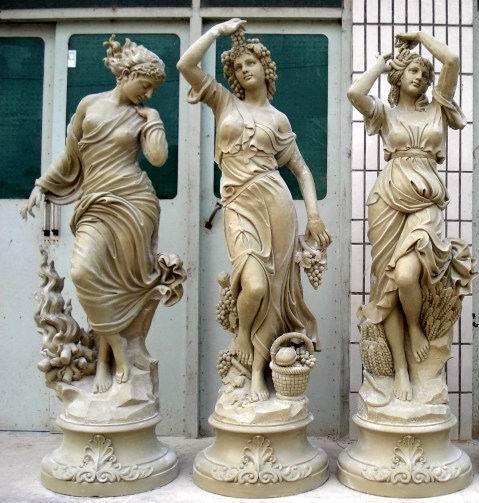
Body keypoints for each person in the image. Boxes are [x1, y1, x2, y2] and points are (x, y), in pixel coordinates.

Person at [177, 18, 331, 402]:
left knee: (274, 293)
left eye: (251, 63)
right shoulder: (223, 102)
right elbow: (186, 65)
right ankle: (243, 336)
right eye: (238, 66)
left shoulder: (279, 120)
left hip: (276, 205)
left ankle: (260, 372)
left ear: (265, 68)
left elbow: (302, 171)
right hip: (239, 205)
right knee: (255, 285)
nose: (244, 69)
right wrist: (216, 32)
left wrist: (313, 216)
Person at [20, 35, 184, 394]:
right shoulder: (89, 105)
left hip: (135, 204)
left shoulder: (143, 115)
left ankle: (107, 362)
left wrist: (154, 119)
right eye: (145, 85)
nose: (148, 94)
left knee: (123, 287)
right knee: (84, 273)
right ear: (127, 75)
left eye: (154, 89)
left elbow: (158, 158)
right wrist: (41, 185)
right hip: (94, 204)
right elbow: (71, 156)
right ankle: (117, 352)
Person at [348, 32, 470, 401]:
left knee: (405, 275)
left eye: (425, 73)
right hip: (386, 200)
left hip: (426, 203)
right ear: (398, 77)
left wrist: (419, 38)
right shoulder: (385, 113)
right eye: (413, 71)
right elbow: (355, 93)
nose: (420, 76)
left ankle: (416, 328)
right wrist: (381, 64)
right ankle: (400, 370)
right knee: (386, 287)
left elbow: (452, 61)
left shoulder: (438, 108)